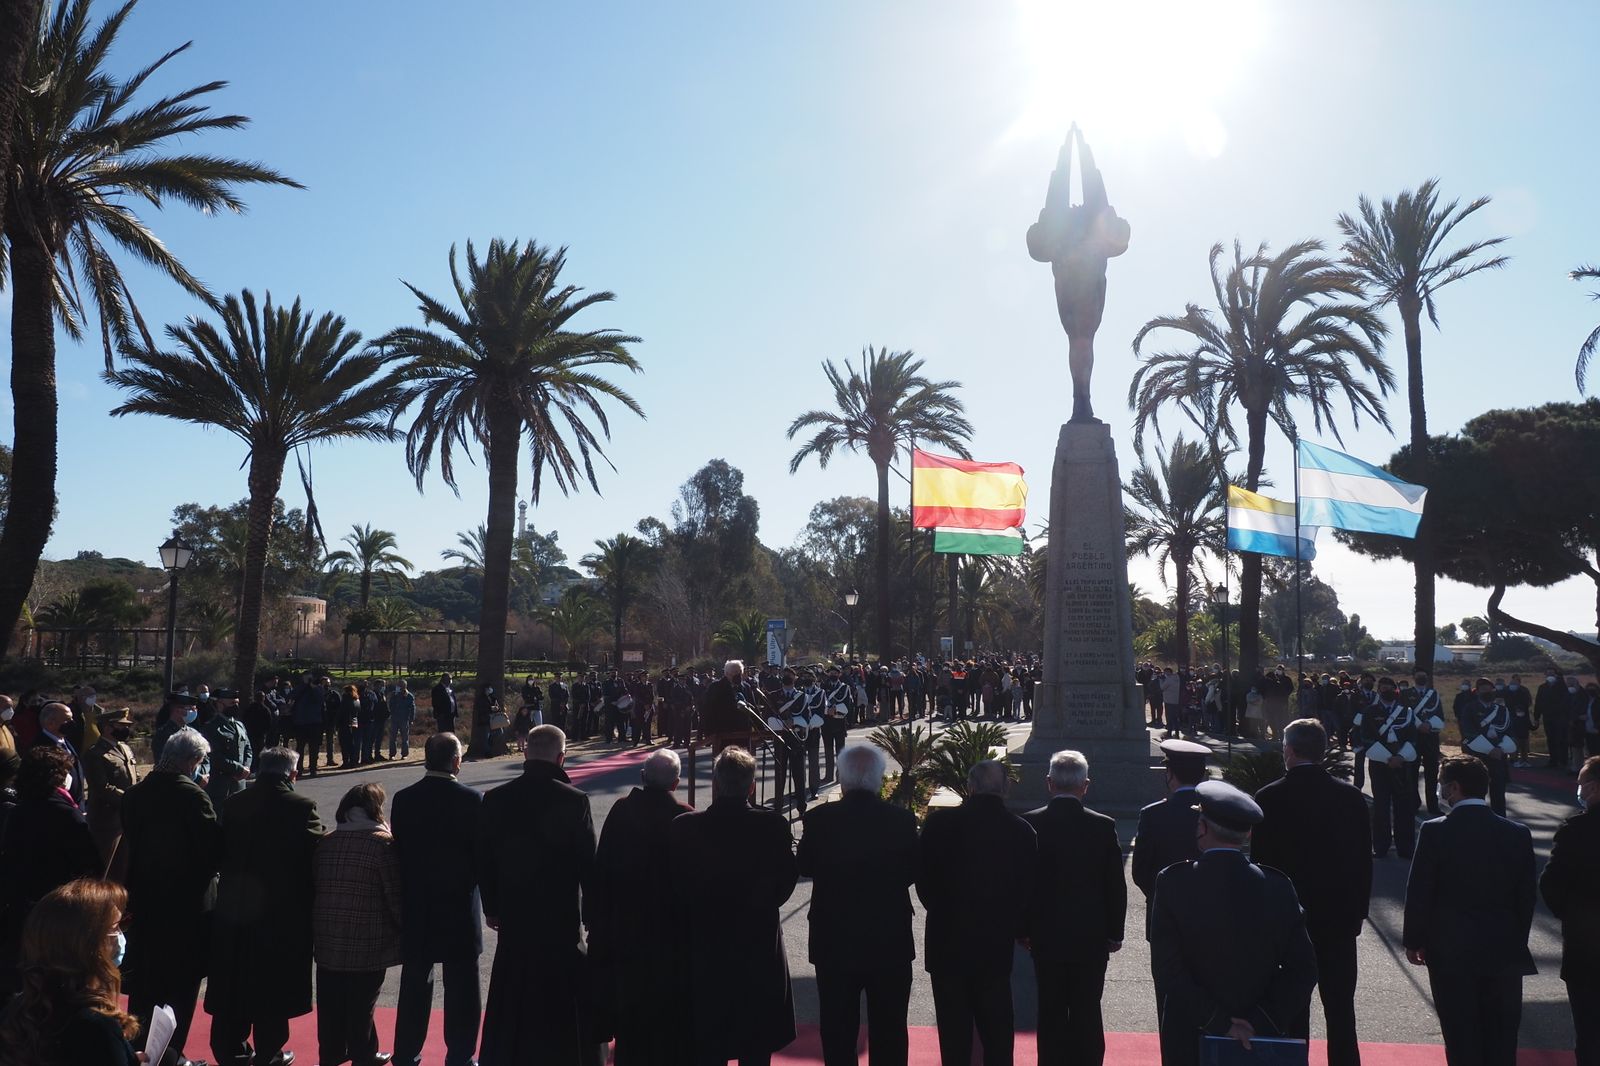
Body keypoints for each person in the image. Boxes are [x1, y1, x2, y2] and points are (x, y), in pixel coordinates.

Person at [1150, 780, 1317, 1066]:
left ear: (1201, 827)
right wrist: (1259, 1021)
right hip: (1259, 1039)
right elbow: (1303, 970)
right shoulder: (1277, 886)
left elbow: (1168, 971)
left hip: (1191, 1034)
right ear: (1248, 833)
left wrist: (1218, 1022)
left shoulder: (1174, 883)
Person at [476, 724, 599, 1065]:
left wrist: (492, 906)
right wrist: (592, 915)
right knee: (560, 994)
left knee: (513, 990)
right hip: (560, 914)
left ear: (525, 752)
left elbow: (483, 859)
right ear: (562, 757)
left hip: (515, 912)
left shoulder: (496, 799)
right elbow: (587, 863)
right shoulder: (575, 801)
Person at [1252, 719, 1372, 1066]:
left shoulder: (1269, 796)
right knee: (1340, 1012)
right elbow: (1363, 862)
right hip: (1338, 920)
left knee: (1291, 1011)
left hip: (1289, 921)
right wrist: (1358, 914)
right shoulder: (1350, 797)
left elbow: (1263, 868)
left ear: (1288, 750)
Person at [1403, 756, 1535, 1066]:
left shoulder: (1435, 831)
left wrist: (1414, 939)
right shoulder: (1516, 833)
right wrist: (1517, 937)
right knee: (1502, 1036)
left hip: (1450, 948)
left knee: (1461, 1033)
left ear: (1454, 788)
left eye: (1441, 785)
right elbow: (1526, 896)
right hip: (1503, 948)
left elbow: (1421, 890)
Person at [669, 746, 798, 1066]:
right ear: (751, 786)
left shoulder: (685, 827)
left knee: (708, 1041)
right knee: (755, 1042)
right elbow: (786, 881)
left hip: (704, 941)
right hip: (757, 939)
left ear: (715, 783)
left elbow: (674, 882)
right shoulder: (772, 826)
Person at [797, 743, 918, 1066]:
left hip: (833, 934)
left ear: (843, 778)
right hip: (888, 935)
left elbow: (805, 866)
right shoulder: (901, 820)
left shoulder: (819, 819)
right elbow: (912, 871)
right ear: (879, 778)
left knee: (837, 1026)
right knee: (890, 1027)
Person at [206, 747, 324, 1066]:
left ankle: (231, 1048)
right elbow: (316, 854)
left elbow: (219, 851)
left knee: (236, 982)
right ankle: (268, 1052)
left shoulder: (234, 803)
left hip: (235, 910)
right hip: (282, 914)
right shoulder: (301, 806)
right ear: (292, 774)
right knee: (274, 987)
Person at [918, 760, 1036, 1066]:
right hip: (994, 945)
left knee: (953, 1032)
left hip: (946, 940)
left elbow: (924, 883)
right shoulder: (1021, 831)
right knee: (997, 1030)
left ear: (970, 787)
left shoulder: (938, 825)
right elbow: (1026, 890)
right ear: (1006, 790)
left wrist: (944, 910)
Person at [121, 726, 221, 1066]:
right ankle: (171, 1054)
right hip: (186, 905)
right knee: (180, 984)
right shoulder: (192, 795)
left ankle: (137, 1050)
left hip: (144, 901)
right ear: (192, 761)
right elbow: (211, 850)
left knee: (144, 983)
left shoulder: (135, 794)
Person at [589, 748, 695, 1066]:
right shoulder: (685, 816)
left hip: (625, 927)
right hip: (670, 931)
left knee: (630, 1010)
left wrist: (596, 918)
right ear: (676, 783)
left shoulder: (622, 810)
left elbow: (602, 866)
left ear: (643, 777)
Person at [1022, 751, 1125, 1066]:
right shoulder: (1103, 827)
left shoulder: (1030, 823)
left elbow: (1022, 884)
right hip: (1090, 936)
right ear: (1086, 786)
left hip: (1045, 935)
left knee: (1050, 1008)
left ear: (1049, 783)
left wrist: (1022, 929)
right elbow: (1114, 885)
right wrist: (1114, 932)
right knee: (1087, 1009)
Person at [390, 734, 484, 1066]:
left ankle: (406, 1053)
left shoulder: (403, 798)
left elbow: (398, 851)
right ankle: (460, 1055)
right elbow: (482, 857)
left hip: (418, 903)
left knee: (415, 983)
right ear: (456, 760)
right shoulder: (473, 799)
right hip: (459, 903)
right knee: (463, 988)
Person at [0, 878, 141, 1066]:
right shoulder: (95, 1028)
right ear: (87, 946)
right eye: (116, 928)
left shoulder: (18, 1012)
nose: (121, 938)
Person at [0, 746, 103, 994]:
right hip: (61, 912)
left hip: (23, 909)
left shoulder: (18, 811)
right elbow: (91, 866)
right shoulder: (67, 814)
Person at [314, 784, 402, 1066]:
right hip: (368, 939)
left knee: (331, 1005)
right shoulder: (382, 844)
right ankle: (363, 1055)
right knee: (362, 1004)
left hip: (328, 937)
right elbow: (394, 895)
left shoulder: (327, 842)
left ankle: (332, 1054)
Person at [1540, 755, 1600, 1066]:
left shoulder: (1577, 830)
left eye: (1581, 784)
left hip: (1586, 945)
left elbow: (1551, 883)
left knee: (1589, 1032)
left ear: (1593, 788)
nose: (1578, 790)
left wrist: (1572, 915)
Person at [1131, 739, 1208, 938]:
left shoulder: (1153, 814)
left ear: (1170, 774)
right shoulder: (1214, 810)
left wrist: (1161, 895)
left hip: (1162, 911)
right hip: (1206, 910)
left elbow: (1140, 870)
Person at [1359, 677, 1419, 859]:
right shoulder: (1369, 712)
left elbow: (1413, 737)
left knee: (1404, 807)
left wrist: (1400, 757)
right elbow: (1365, 737)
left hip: (1403, 765)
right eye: (1382, 688)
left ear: (1396, 690)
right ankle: (1381, 846)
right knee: (1381, 807)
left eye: (1389, 687)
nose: (1386, 690)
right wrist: (1387, 758)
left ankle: (1406, 847)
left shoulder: (1407, 712)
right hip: (1380, 765)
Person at [82, 706, 139, 882]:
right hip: (106, 819)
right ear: (108, 727)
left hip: (127, 817)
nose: (126, 729)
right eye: (121, 726)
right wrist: (129, 799)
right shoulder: (95, 754)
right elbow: (101, 787)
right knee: (105, 868)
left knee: (125, 866)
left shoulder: (125, 749)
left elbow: (134, 777)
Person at [1460, 677, 1515, 815]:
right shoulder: (1470, 708)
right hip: (1476, 755)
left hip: (1497, 755)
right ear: (1477, 691)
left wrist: (1500, 749)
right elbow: (1468, 731)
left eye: (1490, 689)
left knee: (1498, 792)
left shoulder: (1502, 710)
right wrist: (1489, 749)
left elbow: (1509, 731)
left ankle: (1500, 821)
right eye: (1484, 689)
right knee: (1475, 792)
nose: (1487, 692)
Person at [200, 691, 253, 819]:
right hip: (220, 785)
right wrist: (237, 769)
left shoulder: (240, 725)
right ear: (219, 704)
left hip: (239, 784)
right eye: (232, 703)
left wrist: (245, 768)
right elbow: (213, 756)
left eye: (237, 703)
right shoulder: (211, 727)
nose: (235, 706)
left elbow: (248, 749)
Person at [29, 701, 86, 807]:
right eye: (67, 720)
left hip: (76, 806)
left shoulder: (65, 741)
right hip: (60, 808)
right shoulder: (41, 749)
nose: (72, 722)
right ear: (51, 723)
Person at [1409, 671, 1446, 815]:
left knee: (1432, 773)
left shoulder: (1434, 694)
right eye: (1418, 675)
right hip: (1413, 737)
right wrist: (1419, 725)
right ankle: (1414, 802)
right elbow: (1404, 713)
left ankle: (1433, 805)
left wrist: (1429, 725)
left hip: (1431, 737)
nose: (1421, 677)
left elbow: (1440, 714)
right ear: (1414, 677)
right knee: (1412, 772)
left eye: (1424, 675)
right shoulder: (1406, 694)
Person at [1537, 672, 1573, 770]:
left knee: (1562, 739)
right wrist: (1537, 716)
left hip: (1560, 717)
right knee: (1551, 739)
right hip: (1548, 717)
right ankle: (1553, 760)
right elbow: (1539, 701)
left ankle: (1563, 760)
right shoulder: (1543, 687)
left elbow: (1566, 703)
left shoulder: (1562, 687)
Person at [388, 679, 416, 760]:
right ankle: (392, 754)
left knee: (405, 738)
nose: (399, 687)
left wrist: (411, 719)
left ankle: (404, 754)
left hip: (404, 719)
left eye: (401, 685)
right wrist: (395, 696)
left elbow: (412, 708)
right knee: (393, 737)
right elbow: (390, 705)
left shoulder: (409, 696)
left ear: (405, 686)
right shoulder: (394, 694)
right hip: (394, 719)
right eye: (398, 685)